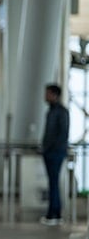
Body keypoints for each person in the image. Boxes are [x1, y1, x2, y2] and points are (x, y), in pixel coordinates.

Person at [40, 83, 70, 226]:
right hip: (49, 152)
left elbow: (61, 134)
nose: (45, 96)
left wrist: (50, 148)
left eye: (48, 93)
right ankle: (52, 213)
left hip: (55, 152)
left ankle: (55, 214)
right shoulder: (51, 111)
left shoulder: (61, 112)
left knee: (54, 183)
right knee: (52, 183)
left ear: (55, 94)